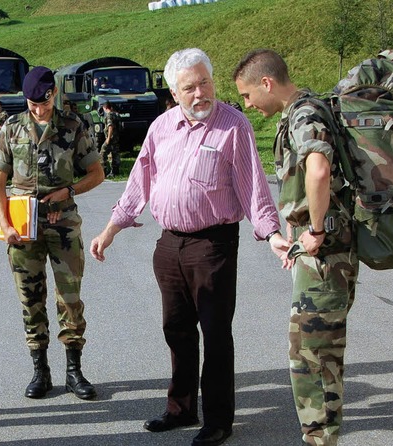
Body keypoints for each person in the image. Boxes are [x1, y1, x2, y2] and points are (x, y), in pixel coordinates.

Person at [90, 48, 283, 446]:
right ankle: (180, 409)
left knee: (214, 334)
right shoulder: (161, 127)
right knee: (176, 330)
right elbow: (138, 182)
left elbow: (254, 191)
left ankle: (217, 421)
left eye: (205, 83)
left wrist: (273, 235)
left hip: (213, 245)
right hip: (169, 245)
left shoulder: (234, 127)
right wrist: (111, 229)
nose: (200, 94)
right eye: (189, 87)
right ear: (174, 93)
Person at [233, 49, 358, 446]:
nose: (248, 105)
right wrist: (296, 226)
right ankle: (320, 437)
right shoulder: (305, 111)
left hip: (326, 256)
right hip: (320, 257)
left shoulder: (305, 114)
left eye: (248, 95)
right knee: (315, 356)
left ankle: (320, 439)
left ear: (267, 83)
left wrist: (316, 231)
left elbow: (318, 169)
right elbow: (304, 179)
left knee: (313, 361)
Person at [0, 66, 104, 401]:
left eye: (43, 102)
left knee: (69, 298)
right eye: (31, 103)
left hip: (63, 225)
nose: (38, 109)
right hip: (23, 227)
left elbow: (96, 173)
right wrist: (6, 224)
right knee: (31, 298)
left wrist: (68, 191)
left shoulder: (73, 125)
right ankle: (40, 371)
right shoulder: (11, 128)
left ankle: (74, 371)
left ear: (53, 93)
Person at [100, 101, 121, 178]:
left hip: (111, 138)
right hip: (116, 138)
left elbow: (110, 126)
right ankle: (115, 171)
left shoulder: (109, 116)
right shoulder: (116, 115)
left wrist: (108, 138)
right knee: (114, 154)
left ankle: (103, 171)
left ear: (105, 108)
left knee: (102, 153)